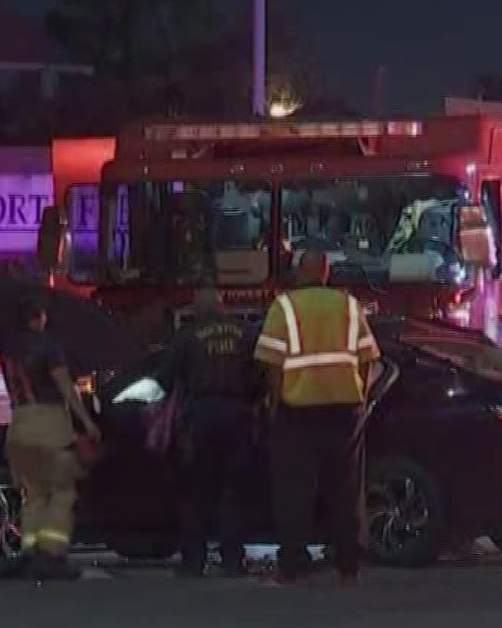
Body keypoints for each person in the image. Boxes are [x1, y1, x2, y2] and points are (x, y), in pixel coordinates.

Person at [253, 249, 385, 586]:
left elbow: (270, 363)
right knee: (346, 488)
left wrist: (275, 401)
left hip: (297, 411)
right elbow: (368, 358)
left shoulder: (284, 307)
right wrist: (360, 395)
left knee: (294, 490)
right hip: (344, 410)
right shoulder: (349, 306)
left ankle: (292, 566)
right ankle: (349, 567)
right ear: (326, 272)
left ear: (300, 272)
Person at [159, 287, 261, 577]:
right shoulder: (245, 333)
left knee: (197, 491)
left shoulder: (187, 336)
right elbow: (262, 373)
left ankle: (193, 561)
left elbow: (165, 377)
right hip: (239, 413)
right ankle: (232, 560)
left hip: (200, 417)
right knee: (234, 491)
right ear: (223, 305)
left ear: (196, 308)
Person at [2, 292, 100, 581]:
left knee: (33, 494)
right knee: (62, 490)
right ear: (38, 317)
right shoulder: (48, 347)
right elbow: (65, 387)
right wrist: (86, 422)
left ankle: (30, 551)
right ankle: (52, 554)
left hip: (19, 424)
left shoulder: (10, 349)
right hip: (48, 424)